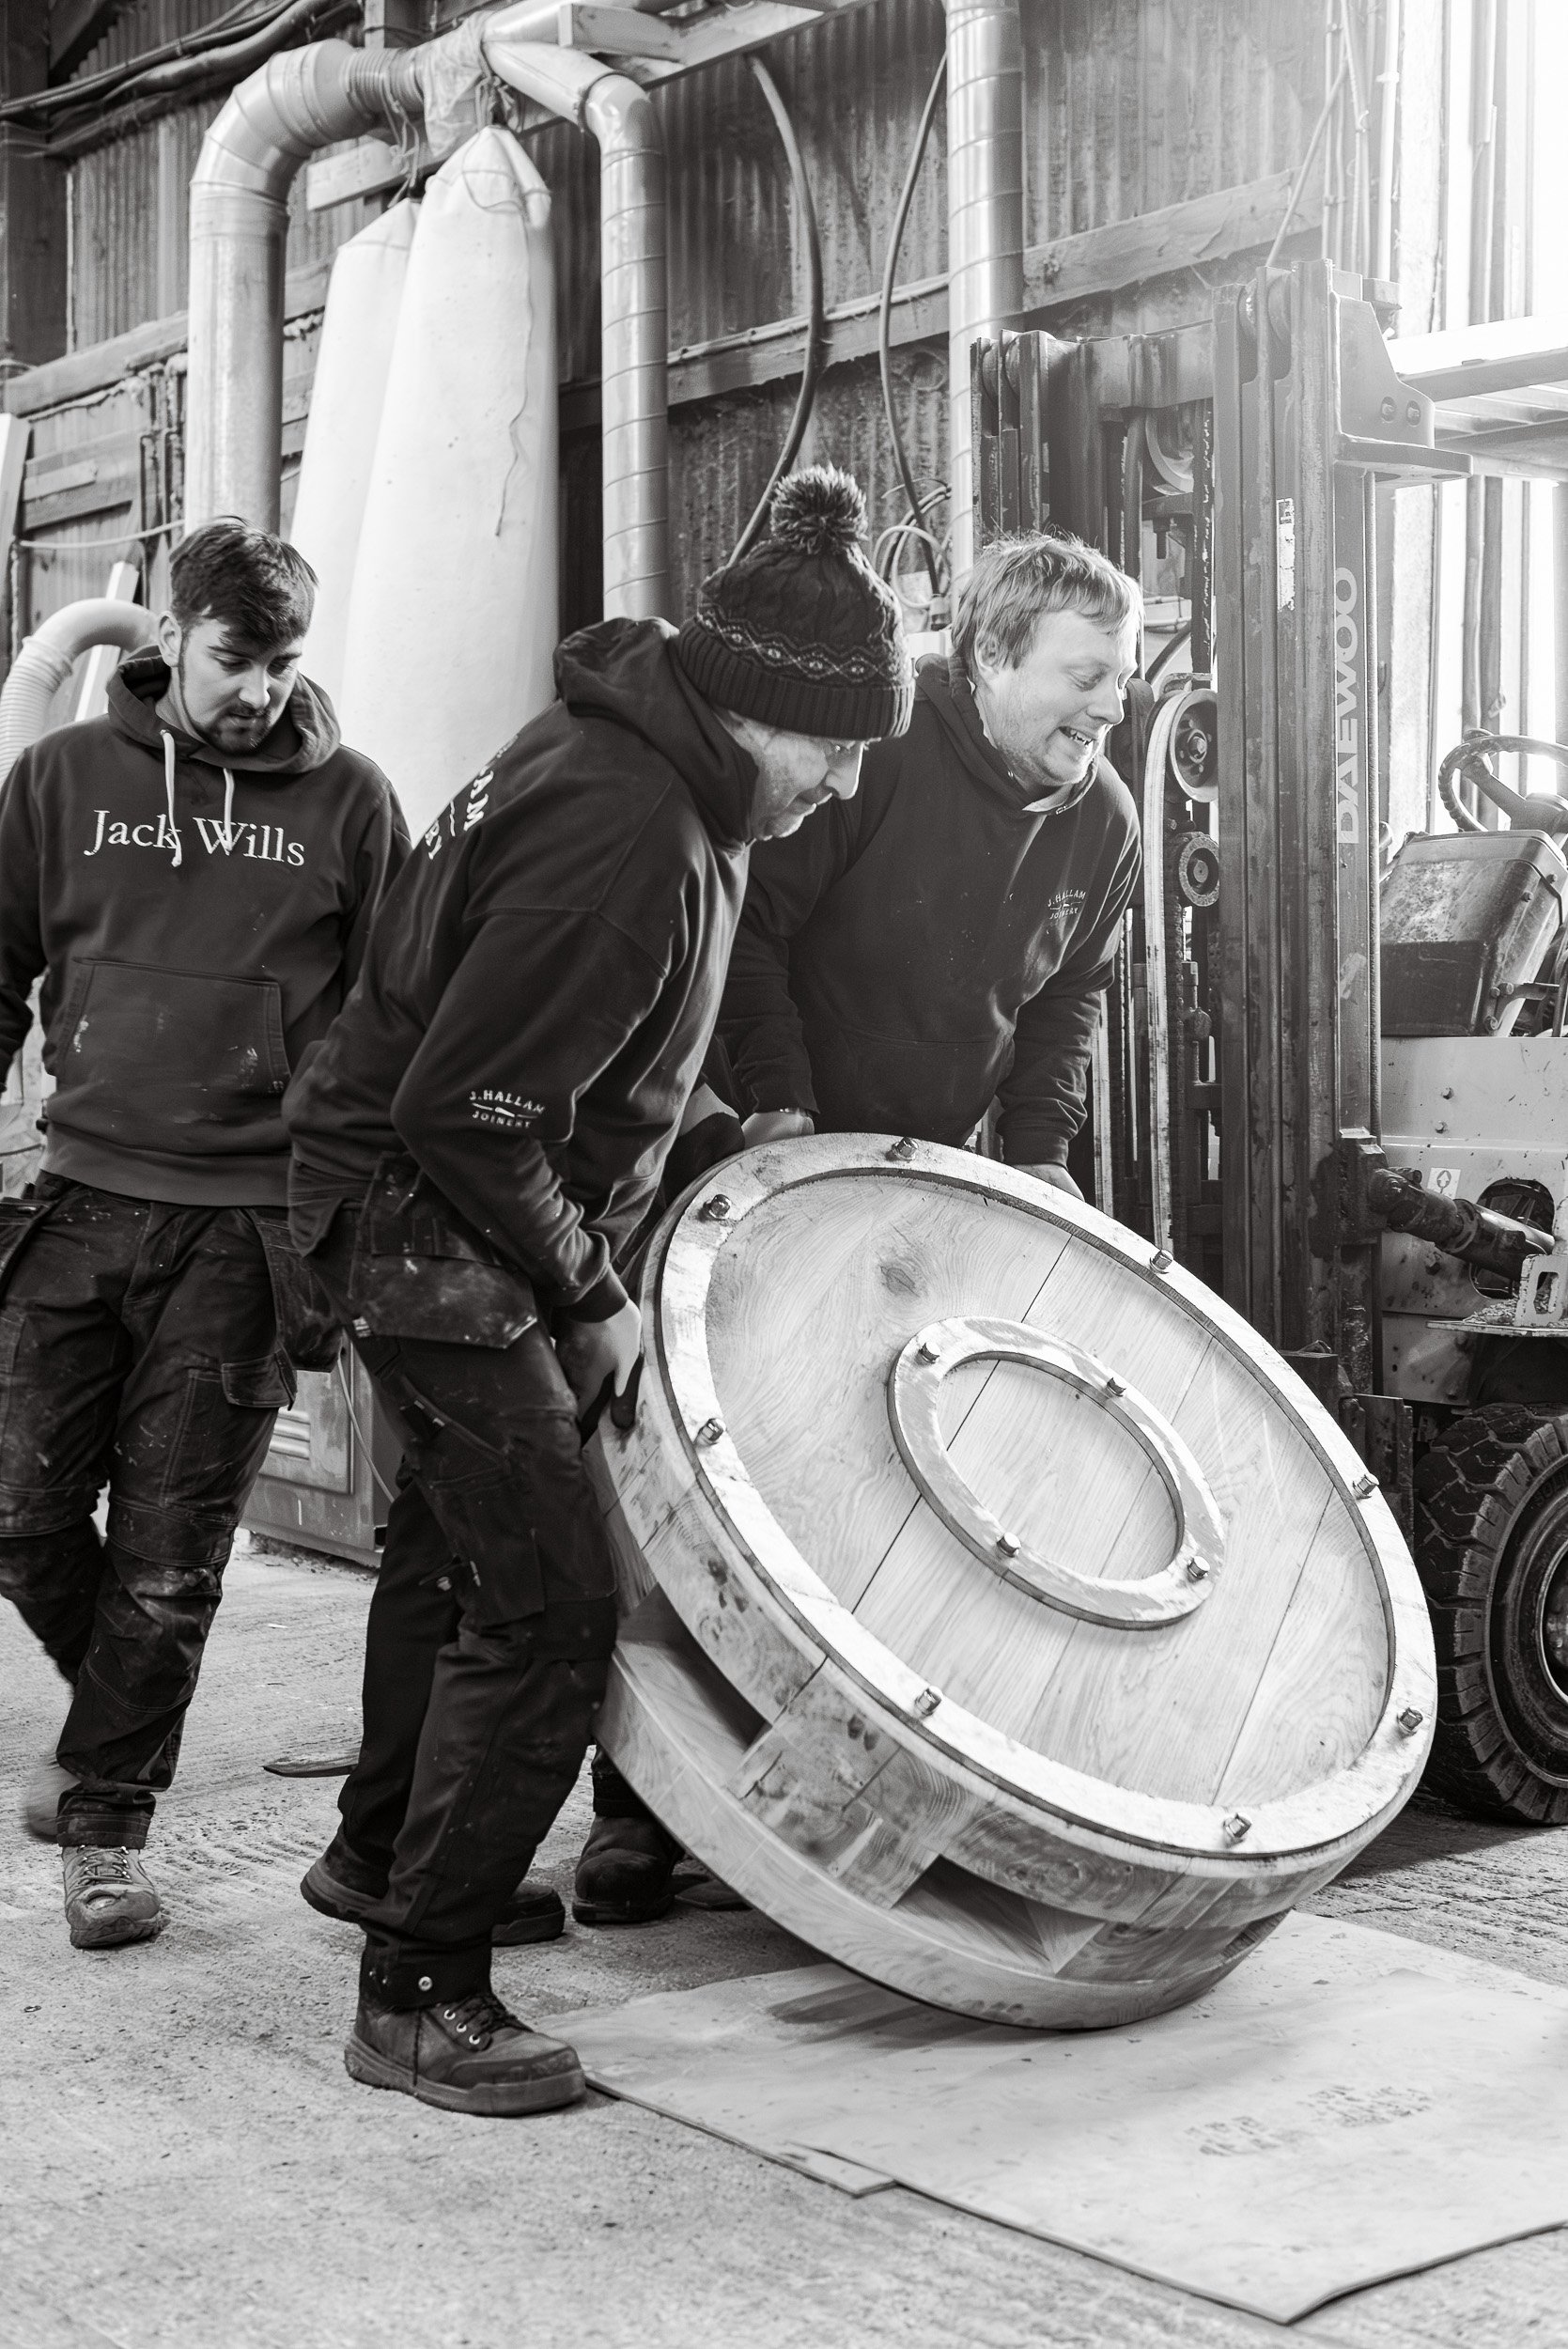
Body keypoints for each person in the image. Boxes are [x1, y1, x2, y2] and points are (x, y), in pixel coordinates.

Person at [283, 466, 910, 2119]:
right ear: (761, 709)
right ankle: (418, 1992)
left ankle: (380, 1858)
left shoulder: (659, 779)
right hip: (435, 1223)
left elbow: (577, 1051)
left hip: (447, 1197)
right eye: (833, 750)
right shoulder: (628, 828)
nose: (841, 789)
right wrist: (591, 1296)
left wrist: (705, 1129)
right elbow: (469, 1108)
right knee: (549, 1602)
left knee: (449, 1552)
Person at [578, 527, 1144, 1926]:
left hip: (927, 1192)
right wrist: (781, 1117)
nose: (1106, 709)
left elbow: (1063, 1005)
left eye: (1121, 686)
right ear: (993, 656)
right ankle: (638, 1812)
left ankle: (829, 1801)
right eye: (1084, 678)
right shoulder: (873, 756)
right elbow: (751, 935)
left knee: (874, 1504)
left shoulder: (1104, 820)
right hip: (759, 1169)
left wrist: (1037, 1163)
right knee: (709, 1496)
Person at [0, 519, 407, 1952]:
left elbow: (387, 1018)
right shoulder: (54, 782)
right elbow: (1, 978)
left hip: (246, 1230)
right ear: (168, 637)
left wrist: (339, 1212)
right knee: (18, 1509)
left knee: (172, 1558)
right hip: (83, 1195)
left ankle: (107, 1824)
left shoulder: (354, 803)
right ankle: (122, 1710)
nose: (258, 691)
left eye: (285, 663)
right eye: (235, 661)